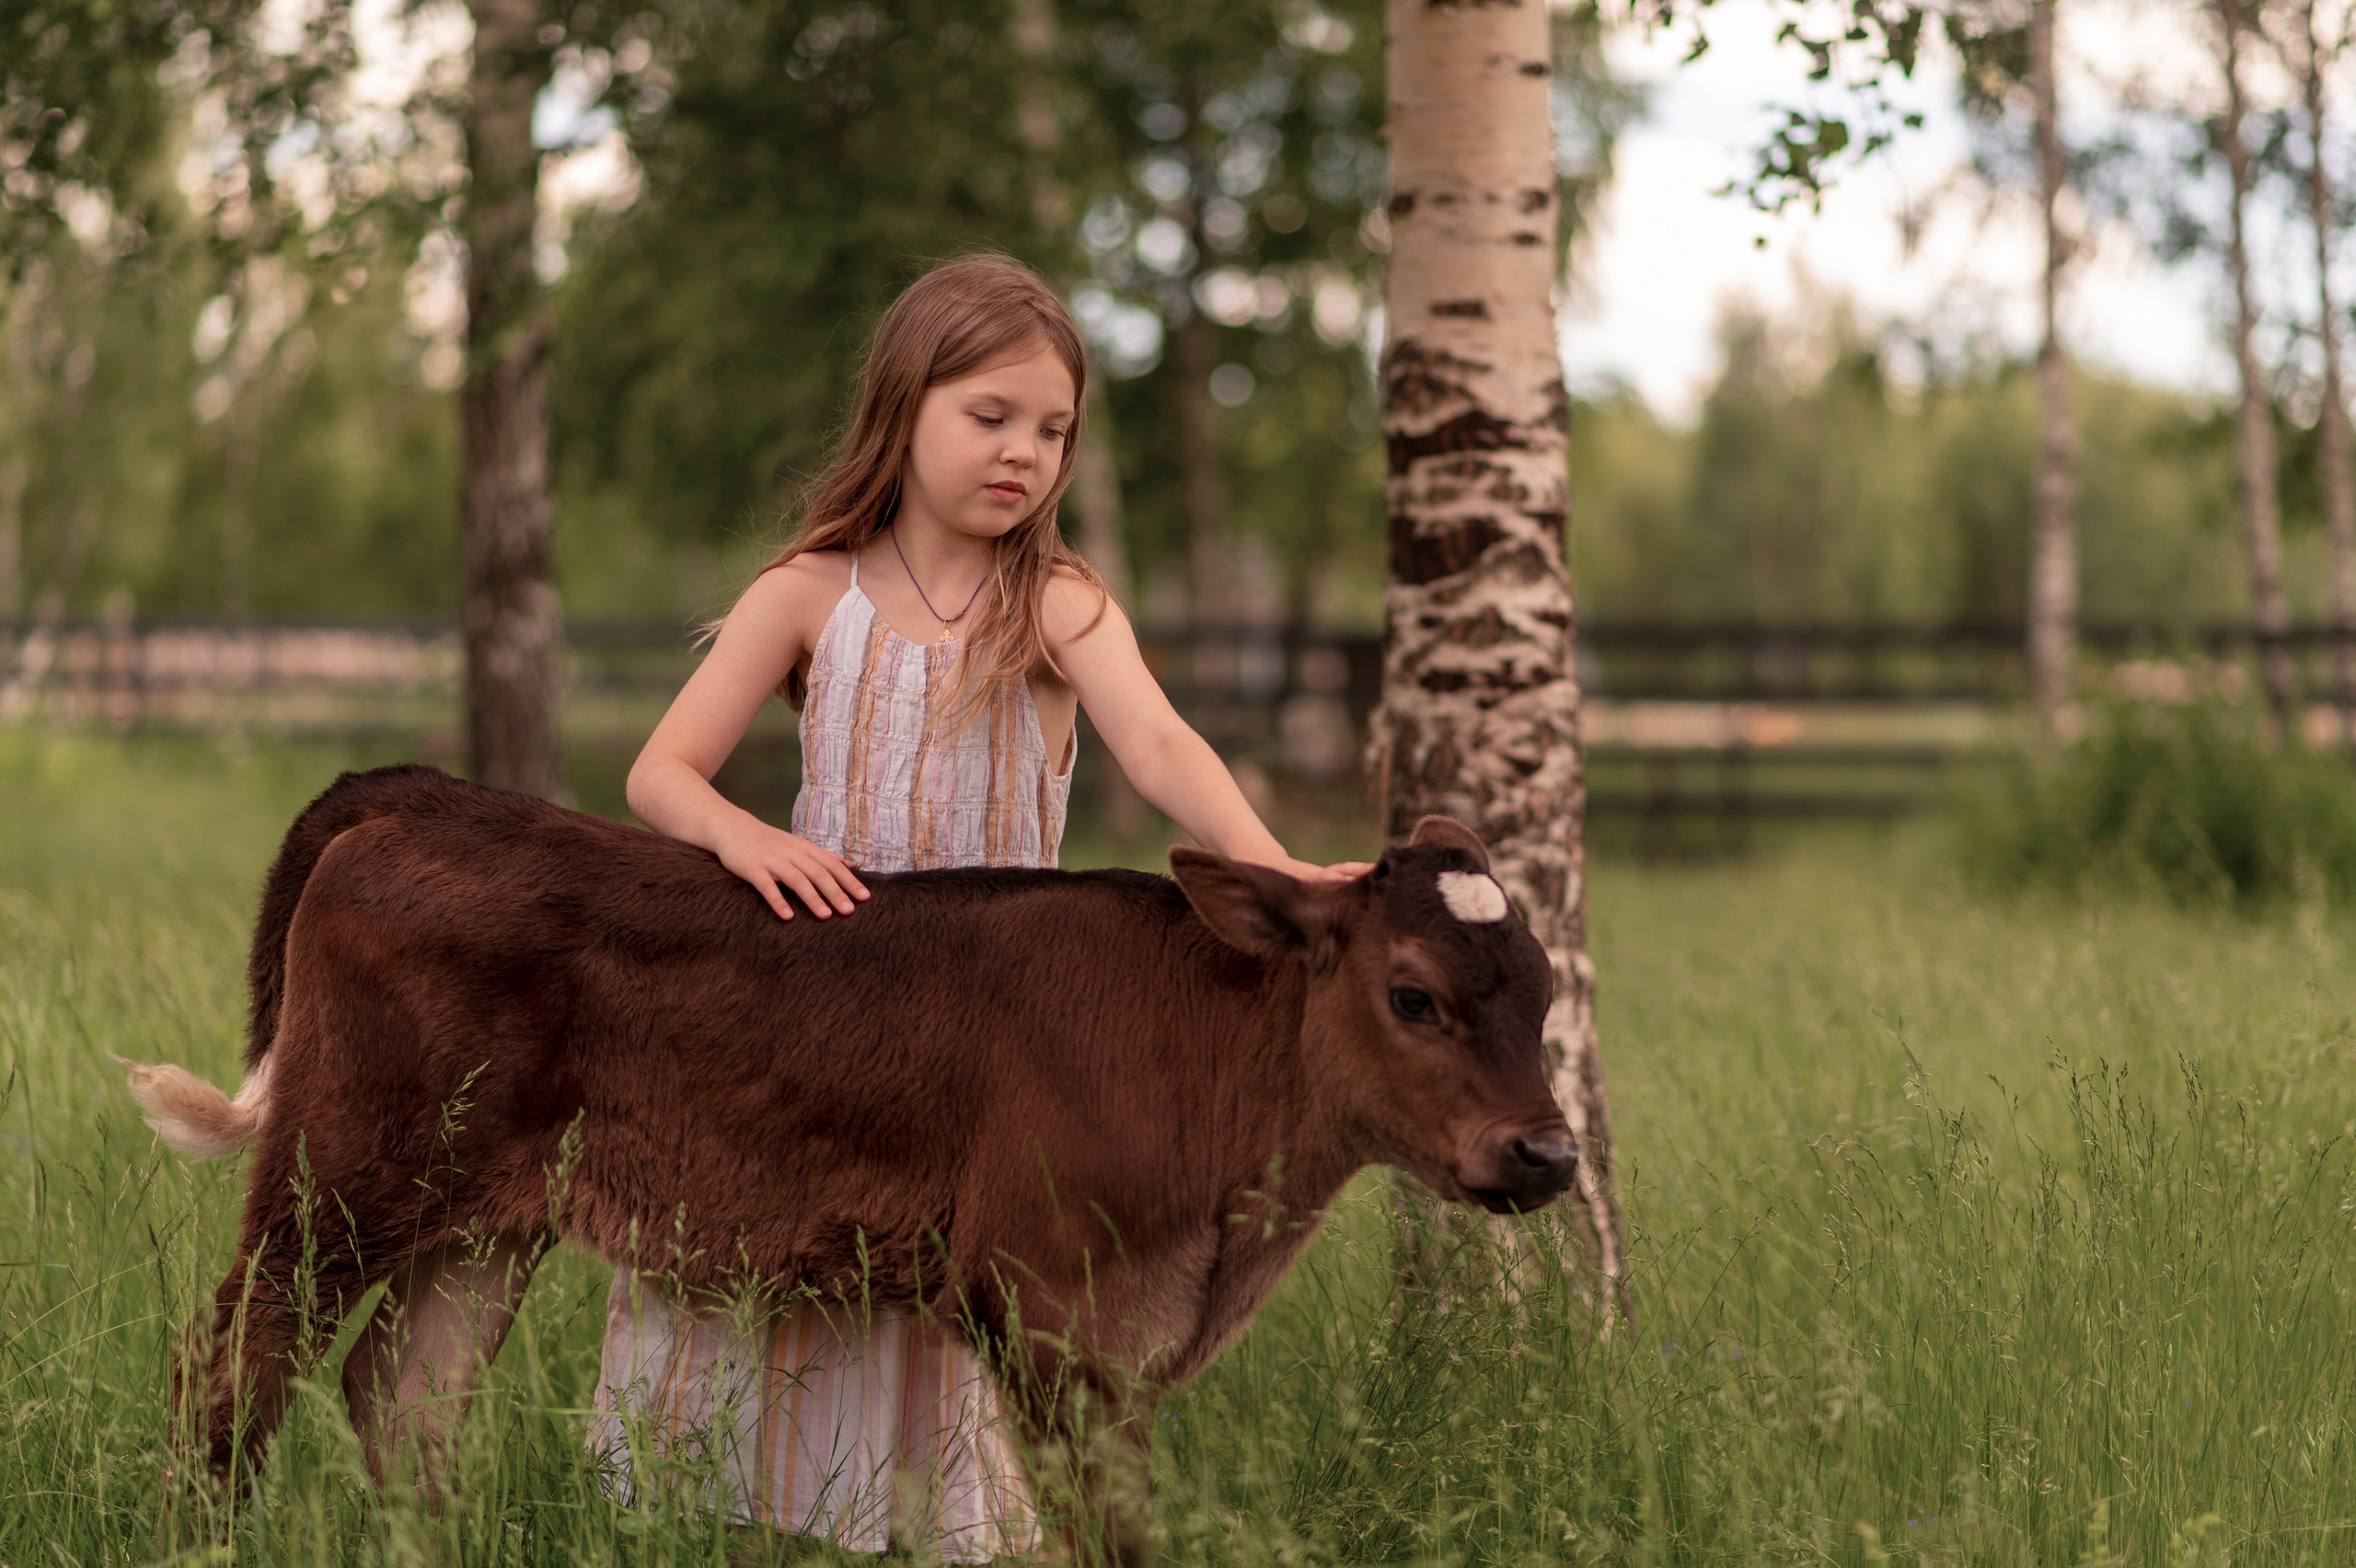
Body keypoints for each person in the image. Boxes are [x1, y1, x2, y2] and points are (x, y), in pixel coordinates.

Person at [589, 253, 1369, 1559]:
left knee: (976, 1290)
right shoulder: (807, 596)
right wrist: (745, 840)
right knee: (799, 1286)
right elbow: (660, 772)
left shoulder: (1054, 607)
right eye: (989, 416)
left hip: (1000, 1044)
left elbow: (1163, 748)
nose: (1024, 453)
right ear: (904, 411)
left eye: (1054, 430)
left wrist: (1277, 869)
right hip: (833, 1016)